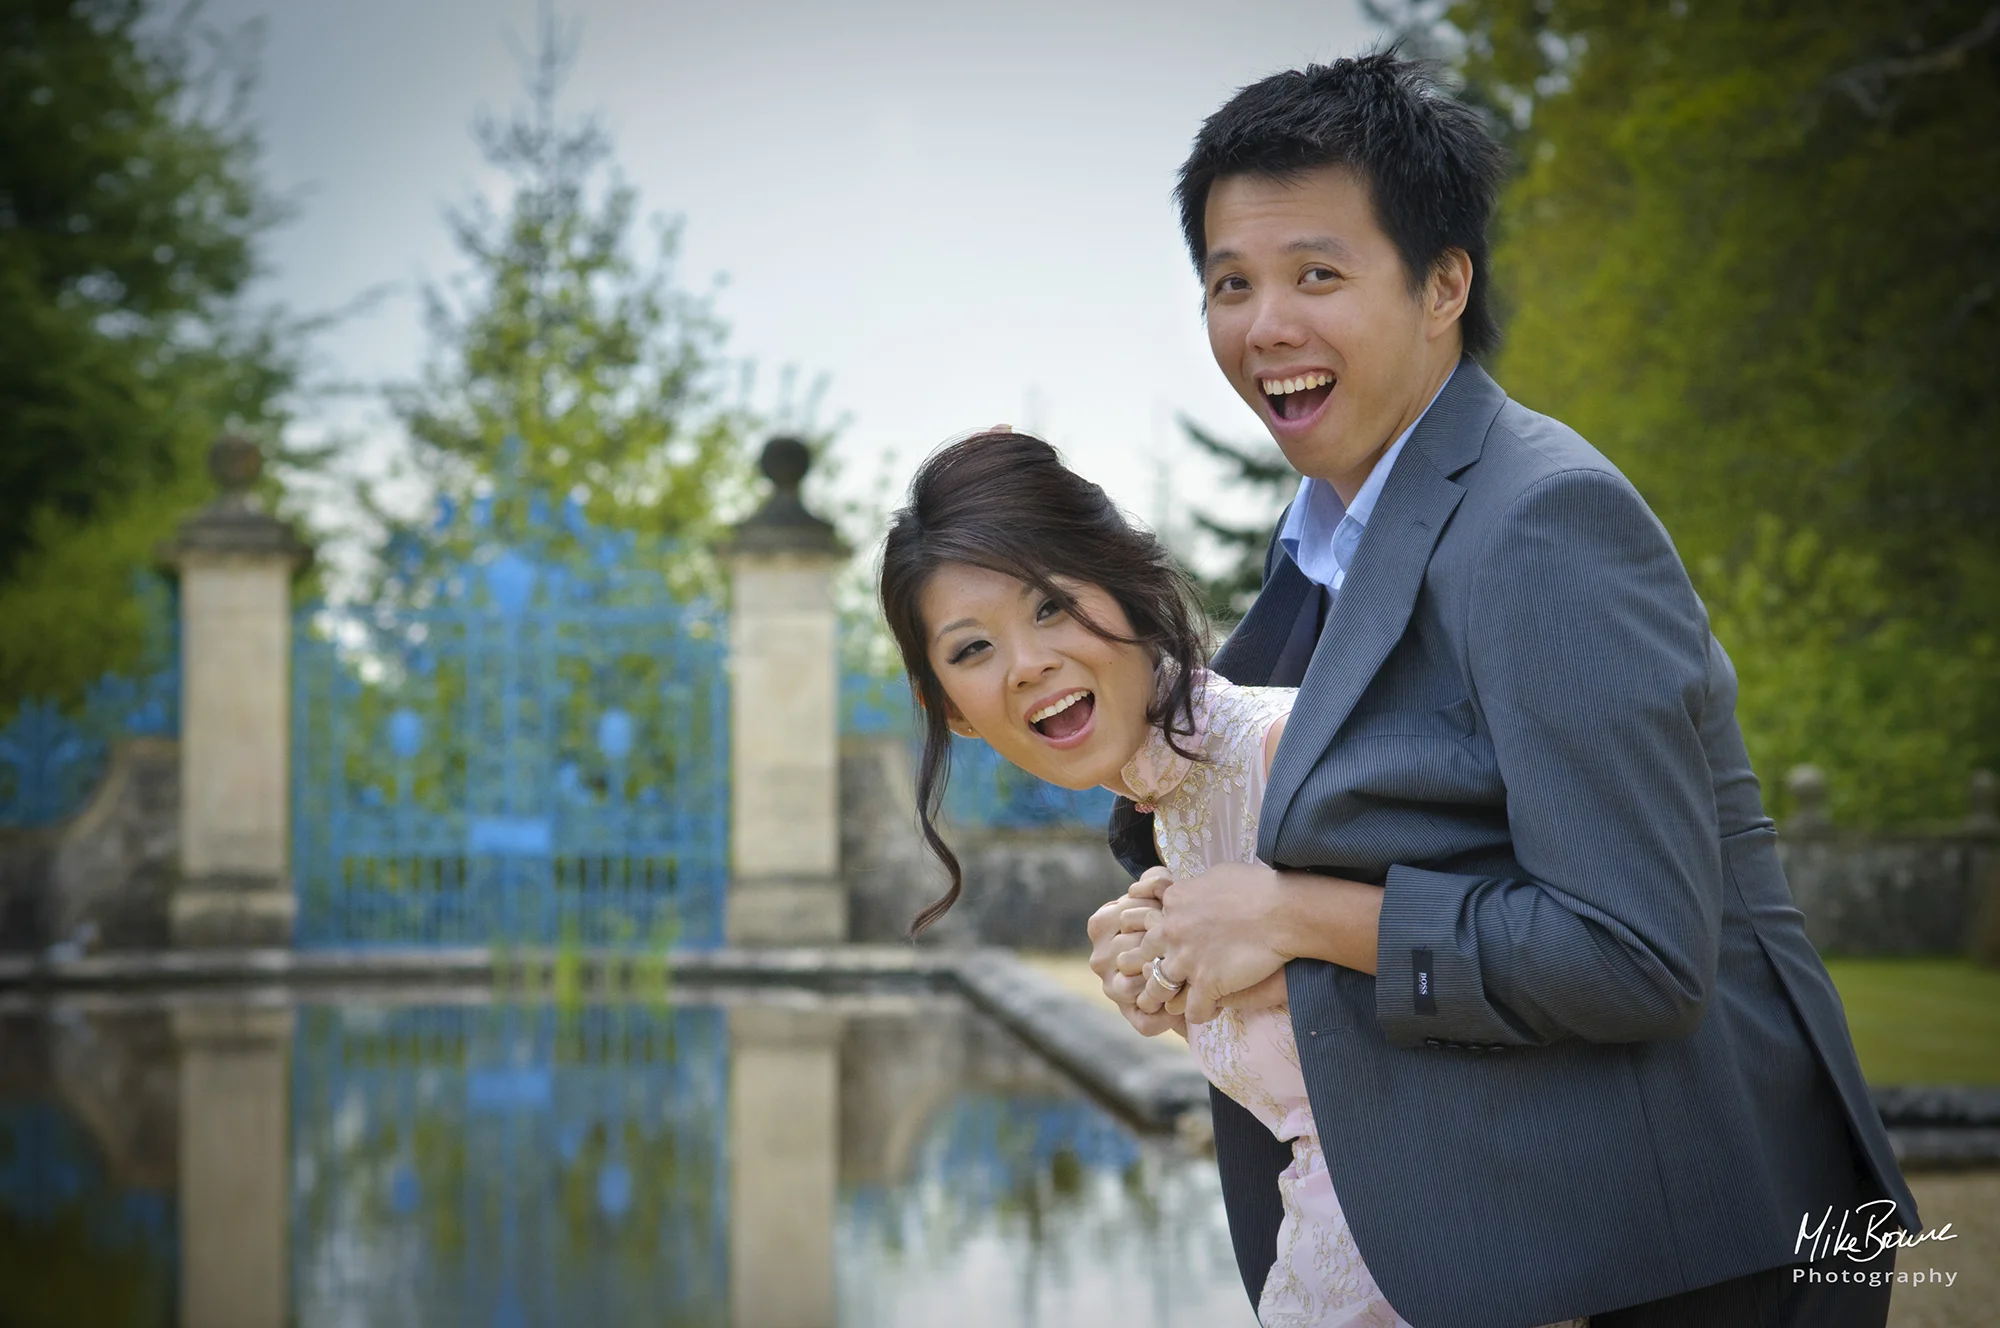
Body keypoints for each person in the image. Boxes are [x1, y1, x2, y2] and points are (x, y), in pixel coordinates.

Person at [1083, 53, 1918, 1327]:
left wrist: (1293, 912)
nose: (1264, 327)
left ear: (1443, 285)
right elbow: (1319, 805)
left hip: (1699, 1243)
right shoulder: (1324, 536)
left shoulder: (1541, 521)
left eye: (1317, 273)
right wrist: (1168, 918)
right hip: (1530, 1222)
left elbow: (1633, 951)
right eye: (1228, 283)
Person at [876, 428, 1544, 1326]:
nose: (1027, 663)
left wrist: (1292, 927)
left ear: (1126, 584)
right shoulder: (1169, 819)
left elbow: (1555, 959)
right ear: (947, 709)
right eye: (971, 649)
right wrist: (1175, 985)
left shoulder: (1291, 755)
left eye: (1048, 608)